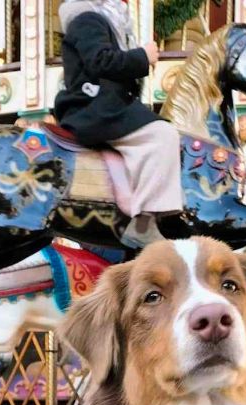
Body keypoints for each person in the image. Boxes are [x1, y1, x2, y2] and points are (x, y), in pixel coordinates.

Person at [54, 0, 183, 249]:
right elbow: (100, 61)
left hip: (101, 105)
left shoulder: (101, 20)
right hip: (94, 107)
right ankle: (143, 223)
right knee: (162, 133)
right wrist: (142, 56)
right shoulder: (88, 18)